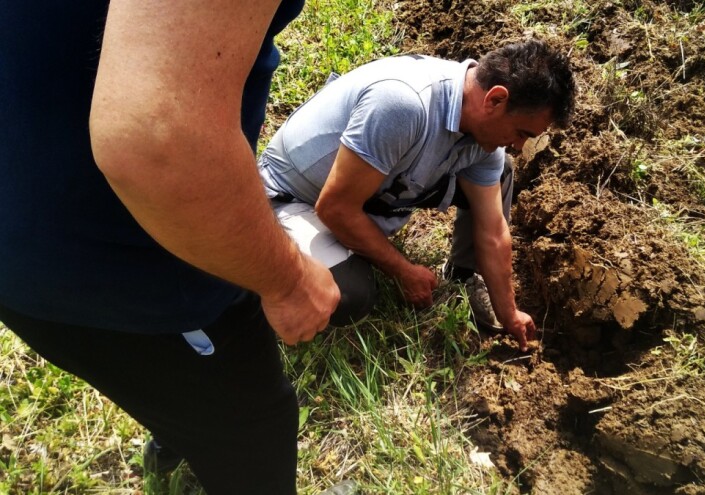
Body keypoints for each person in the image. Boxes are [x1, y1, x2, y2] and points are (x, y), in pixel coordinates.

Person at [1, 1, 343, 493]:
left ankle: (176, 435)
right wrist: (289, 282)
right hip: (110, 254)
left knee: (170, 391)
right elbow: (158, 140)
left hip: (28, 204)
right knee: (254, 426)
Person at [258, 40, 576, 351]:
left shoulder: (481, 129)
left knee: (500, 170)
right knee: (351, 294)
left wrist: (510, 313)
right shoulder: (403, 105)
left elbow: (493, 233)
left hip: (369, 189)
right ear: (495, 100)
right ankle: (268, 263)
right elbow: (335, 209)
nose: (520, 147)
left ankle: (464, 274)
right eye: (522, 133)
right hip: (292, 197)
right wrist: (403, 270)